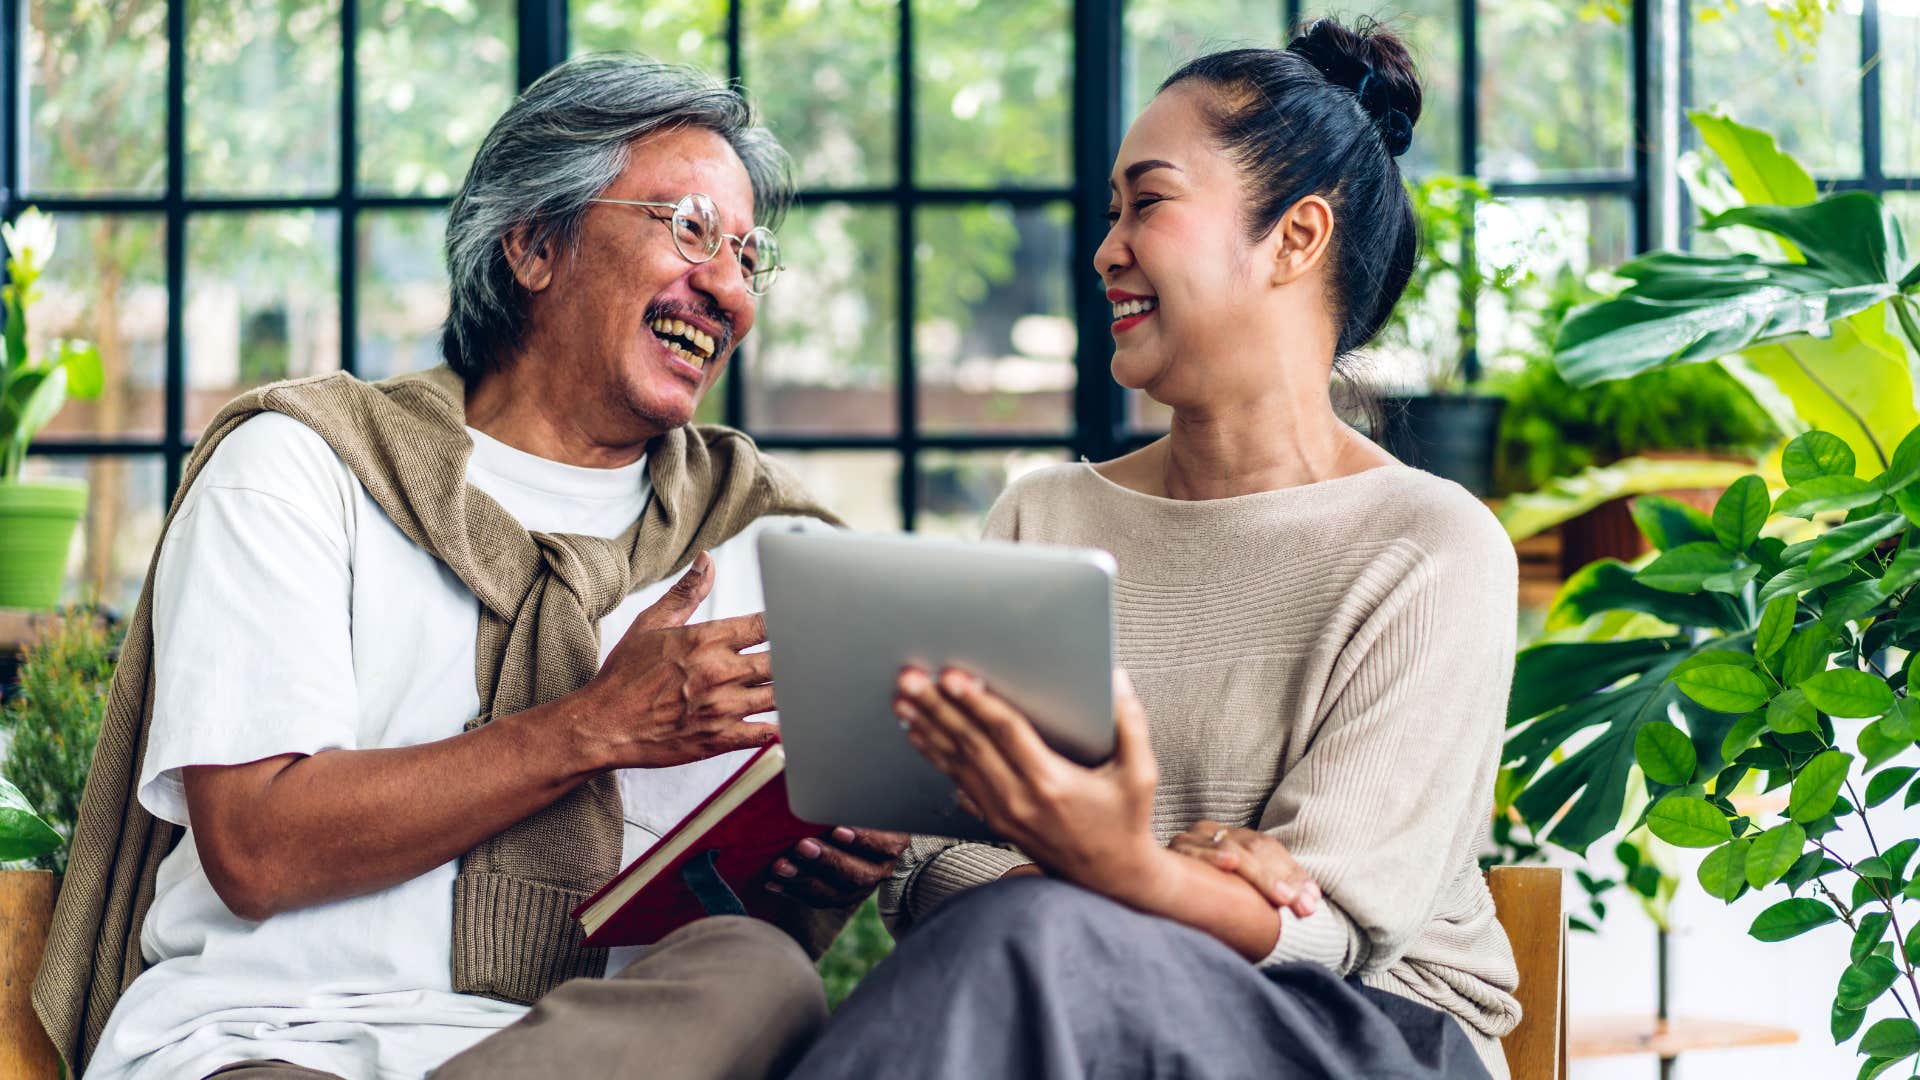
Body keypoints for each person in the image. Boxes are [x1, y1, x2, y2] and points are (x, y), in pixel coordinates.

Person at [35, 55, 905, 1080]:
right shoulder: (303, 466)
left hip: (591, 1054)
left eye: (748, 254)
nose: (726, 288)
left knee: (759, 974)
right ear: (535, 245)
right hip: (277, 1042)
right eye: (689, 229)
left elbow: (726, 907)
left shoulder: (767, 543)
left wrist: (811, 867)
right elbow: (257, 849)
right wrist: (594, 725)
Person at [802, 18, 1522, 1080]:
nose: (1105, 249)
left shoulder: (1430, 547)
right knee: (1031, 938)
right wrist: (1124, 876)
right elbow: (926, 865)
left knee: (1032, 933)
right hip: (1074, 1006)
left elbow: (1321, 931)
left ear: (1297, 237)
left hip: (1366, 1036)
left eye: (1148, 202)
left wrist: (1099, 869)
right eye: (1109, 214)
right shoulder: (1041, 517)